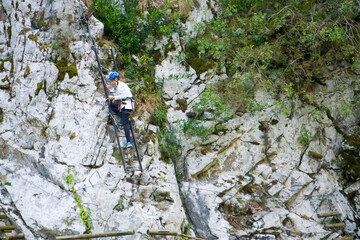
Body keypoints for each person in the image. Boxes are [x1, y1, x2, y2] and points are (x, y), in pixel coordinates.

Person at [107, 71, 134, 148]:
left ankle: (129, 142)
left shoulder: (121, 85)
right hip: (126, 105)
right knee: (112, 106)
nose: (112, 82)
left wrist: (113, 97)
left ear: (116, 79)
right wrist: (110, 91)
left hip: (126, 105)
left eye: (112, 81)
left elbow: (123, 95)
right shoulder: (120, 85)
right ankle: (123, 118)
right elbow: (118, 94)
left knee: (125, 123)